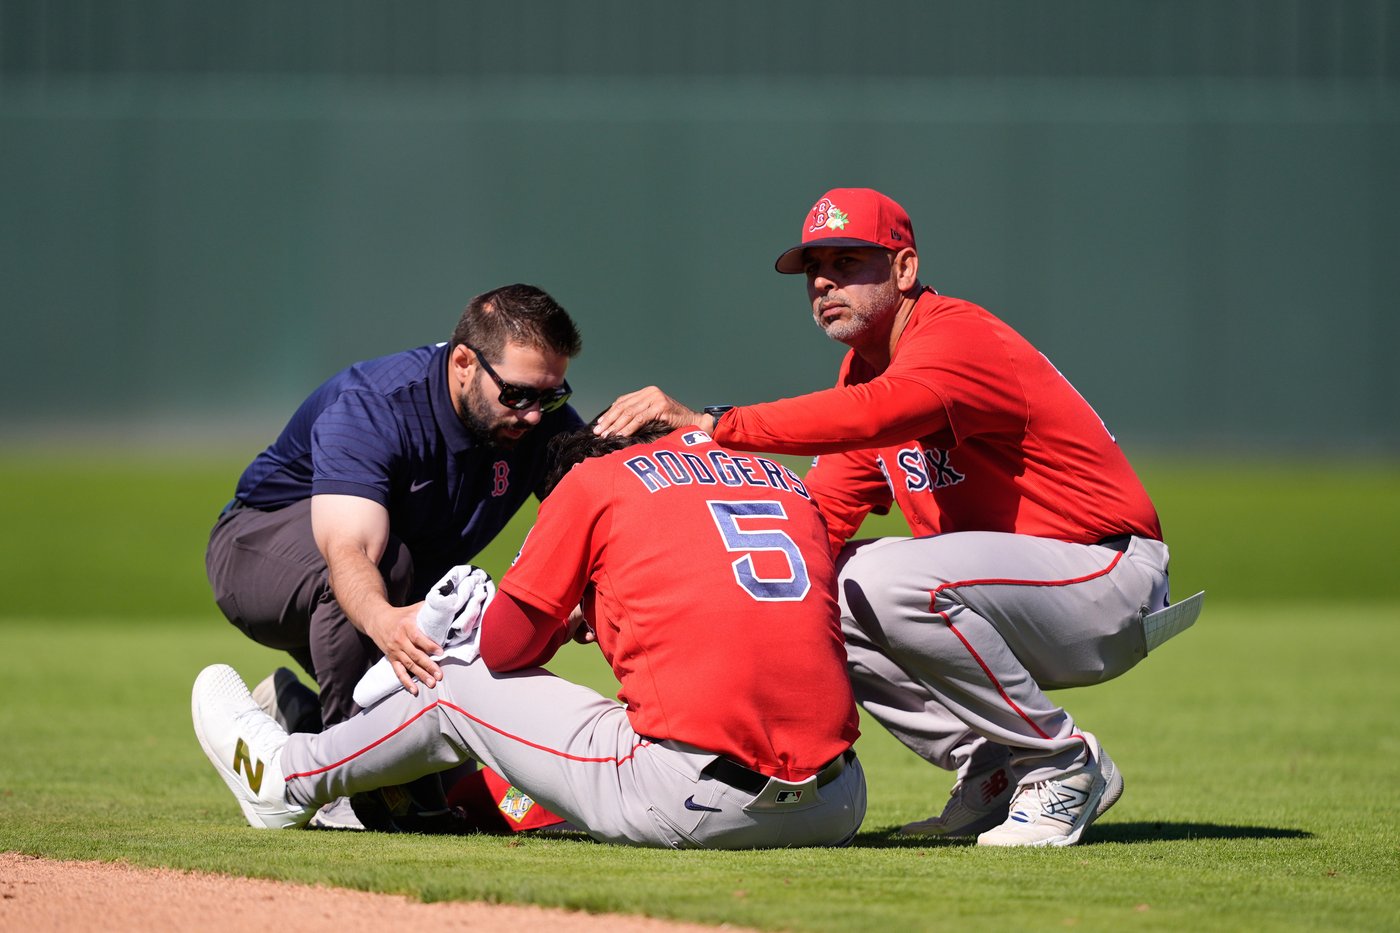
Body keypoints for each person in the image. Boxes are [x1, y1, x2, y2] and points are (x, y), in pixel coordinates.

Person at [593, 187, 1193, 847]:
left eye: (849, 262)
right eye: (814, 269)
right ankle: (990, 767)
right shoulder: (863, 373)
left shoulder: (956, 336)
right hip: (1014, 597)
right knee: (809, 587)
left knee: (879, 580)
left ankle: (1062, 761)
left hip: (1105, 572)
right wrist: (659, 584)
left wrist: (717, 423)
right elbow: (811, 521)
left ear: (904, 269)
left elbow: (878, 412)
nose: (824, 280)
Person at [191, 422, 866, 849]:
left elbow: (503, 649)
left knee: (455, 681)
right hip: (840, 802)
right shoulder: (779, 476)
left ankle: (286, 778)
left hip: (696, 800)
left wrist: (572, 606)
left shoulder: (596, 479)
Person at [205, 283, 583, 830]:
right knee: (389, 570)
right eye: (519, 395)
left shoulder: (536, 419)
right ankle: (338, 784)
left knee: (449, 778)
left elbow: (605, 511)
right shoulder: (375, 405)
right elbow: (349, 549)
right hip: (257, 552)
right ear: (462, 363)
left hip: (394, 578)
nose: (532, 416)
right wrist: (385, 620)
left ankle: (297, 715)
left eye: (551, 398)